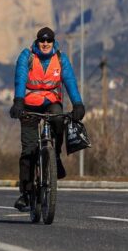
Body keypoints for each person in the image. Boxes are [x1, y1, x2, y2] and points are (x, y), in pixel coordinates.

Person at [9, 27, 85, 212]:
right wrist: (18, 102)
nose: (45, 44)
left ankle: (55, 158)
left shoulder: (60, 59)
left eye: (48, 41)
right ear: (37, 42)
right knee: (28, 150)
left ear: (53, 42)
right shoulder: (27, 57)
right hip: (28, 104)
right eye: (42, 41)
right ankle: (26, 194)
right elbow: (20, 78)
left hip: (51, 102)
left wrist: (78, 104)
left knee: (59, 119)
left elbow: (70, 81)